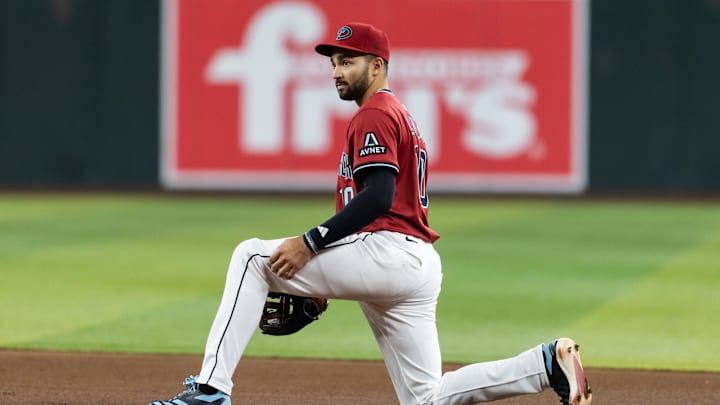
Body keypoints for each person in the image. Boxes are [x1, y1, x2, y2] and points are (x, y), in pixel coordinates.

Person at [150, 22, 592, 405]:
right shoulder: (399, 114)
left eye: (349, 61)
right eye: (335, 63)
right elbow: (370, 203)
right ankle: (545, 364)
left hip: (387, 252)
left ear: (377, 66)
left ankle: (209, 390)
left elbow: (378, 198)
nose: (338, 72)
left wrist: (310, 244)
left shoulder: (374, 115)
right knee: (426, 397)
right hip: (414, 264)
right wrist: (321, 278)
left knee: (251, 259)